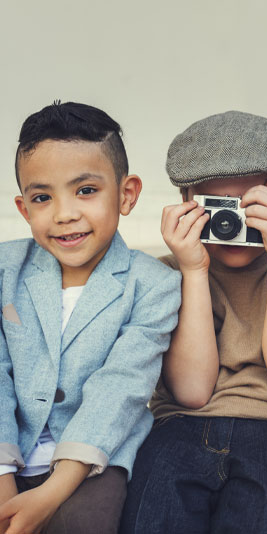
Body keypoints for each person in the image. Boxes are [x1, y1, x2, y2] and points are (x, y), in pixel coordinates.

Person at [120, 110, 267, 534]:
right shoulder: (168, 272)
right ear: (188, 207)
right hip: (180, 427)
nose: (231, 223)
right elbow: (193, 391)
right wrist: (193, 271)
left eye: (249, 205)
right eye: (217, 208)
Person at [0, 101, 181, 534]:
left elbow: (121, 387)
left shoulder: (153, 283)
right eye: (43, 197)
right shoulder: (6, 269)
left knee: (85, 524)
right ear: (24, 209)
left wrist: (52, 492)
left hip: (94, 460)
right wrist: (3, 479)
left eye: (85, 190)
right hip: (8, 453)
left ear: (127, 194)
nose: (64, 214)